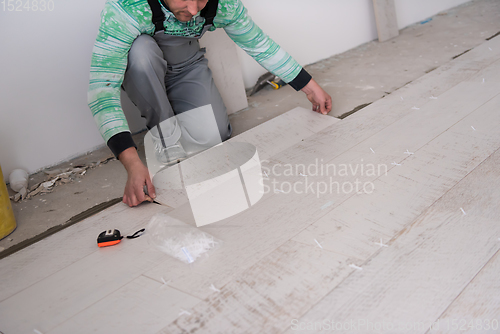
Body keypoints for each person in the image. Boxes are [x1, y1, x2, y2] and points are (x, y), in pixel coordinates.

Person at [88, 0, 332, 207]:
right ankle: (164, 135)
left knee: (213, 136)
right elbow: (102, 90)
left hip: (186, 65)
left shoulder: (224, 4)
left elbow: (259, 45)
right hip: (144, 67)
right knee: (140, 53)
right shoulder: (127, 9)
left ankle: (178, 115)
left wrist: (310, 87)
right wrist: (131, 163)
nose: (194, 10)